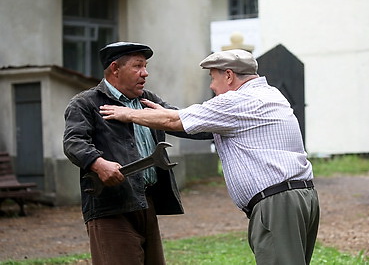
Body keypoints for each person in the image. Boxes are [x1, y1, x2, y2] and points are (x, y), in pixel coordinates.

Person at [99, 49, 320, 265]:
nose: (212, 87)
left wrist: (128, 114)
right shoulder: (270, 94)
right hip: (302, 197)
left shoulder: (236, 101)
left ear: (229, 76)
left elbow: (175, 121)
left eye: (213, 78)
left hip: (277, 204)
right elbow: (192, 123)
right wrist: (164, 114)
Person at [63, 42, 212, 265]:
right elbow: (73, 142)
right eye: (138, 66)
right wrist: (98, 163)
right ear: (115, 68)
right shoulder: (86, 103)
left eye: (145, 66)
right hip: (110, 207)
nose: (145, 73)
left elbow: (183, 122)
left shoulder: (148, 101)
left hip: (146, 201)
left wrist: (224, 127)